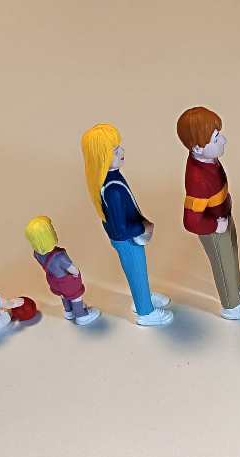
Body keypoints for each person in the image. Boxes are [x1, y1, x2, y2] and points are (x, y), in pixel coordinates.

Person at [175, 107, 240, 321]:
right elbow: (191, 221)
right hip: (215, 227)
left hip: (223, 217)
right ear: (197, 148)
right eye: (216, 139)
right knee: (223, 263)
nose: (223, 141)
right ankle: (231, 305)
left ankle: (236, 287)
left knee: (231, 255)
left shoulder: (210, 159)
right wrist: (215, 226)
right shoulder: (198, 181)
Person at [81, 124, 173, 326]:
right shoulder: (112, 190)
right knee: (137, 272)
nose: (122, 152)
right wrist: (142, 228)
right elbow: (121, 231)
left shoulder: (111, 176)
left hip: (130, 234)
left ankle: (144, 297)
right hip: (128, 239)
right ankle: (145, 311)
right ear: (102, 158)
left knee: (139, 271)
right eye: (115, 151)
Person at [23, 215, 101, 326]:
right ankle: (81, 315)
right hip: (67, 281)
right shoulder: (59, 256)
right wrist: (76, 273)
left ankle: (69, 311)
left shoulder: (37, 253)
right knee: (76, 297)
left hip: (52, 279)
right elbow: (71, 269)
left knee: (63, 295)